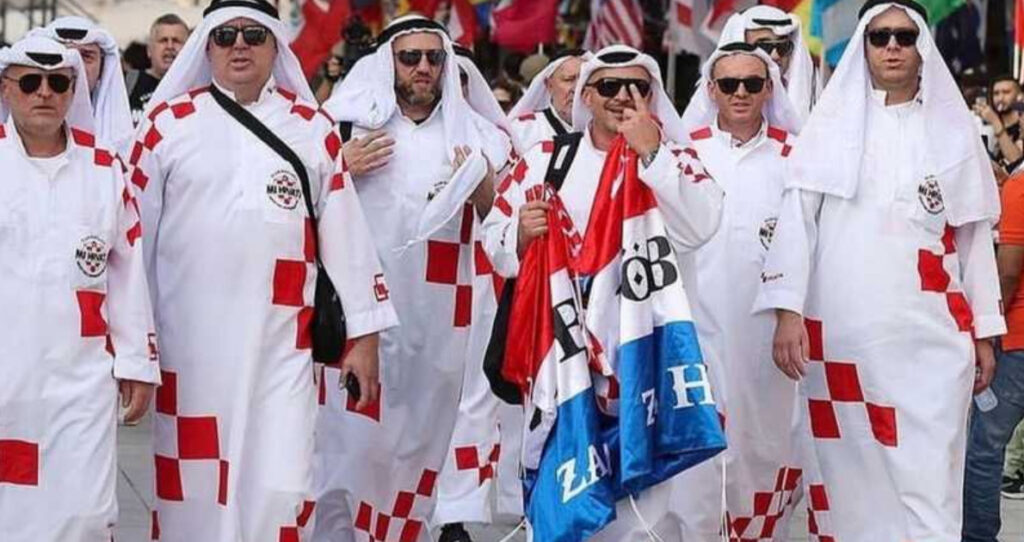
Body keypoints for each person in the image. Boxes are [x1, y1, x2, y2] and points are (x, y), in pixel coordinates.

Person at [126, 0, 397, 539]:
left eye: (254, 34)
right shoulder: (165, 126)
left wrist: (363, 338)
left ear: (276, 45)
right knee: (194, 492)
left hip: (284, 348)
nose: (240, 45)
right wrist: (136, 349)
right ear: (208, 47)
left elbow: (346, 238)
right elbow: (132, 247)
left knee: (284, 483)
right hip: (191, 348)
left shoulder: (310, 129)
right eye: (225, 36)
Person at [756, 1, 1004, 539]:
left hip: (931, 344)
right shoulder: (829, 129)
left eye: (905, 36)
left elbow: (973, 237)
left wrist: (985, 332)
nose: (892, 46)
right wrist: (786, 312)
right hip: (843, 342)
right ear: (864, 47)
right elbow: (797, 225)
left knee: (931, 477)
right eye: (880, 36)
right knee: (848, 482)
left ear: (922, 48)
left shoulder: (954, 131)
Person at [482, 44, 726, 541]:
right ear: (586, 96)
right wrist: (520, 235)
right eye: (610, 87)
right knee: (562, 493)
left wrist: (651, 153)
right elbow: (495, 238)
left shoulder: (675, 158)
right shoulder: (547, 159)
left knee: (641, 510)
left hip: (641, 358)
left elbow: (701, 224)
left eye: (637, 87)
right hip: (561, 358)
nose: (623, 97)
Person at [316, 15, 509, 542]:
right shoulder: (343, 128)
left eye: (434, 57)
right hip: (358, 318)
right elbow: (301, 207)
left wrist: (484, 190)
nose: (423, 68)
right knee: (347, 446)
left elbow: (506, 229)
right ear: (387, 64)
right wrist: (338, 167)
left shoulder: (481, 137)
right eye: (410, 57)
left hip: (441, 324)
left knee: (416, 450)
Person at [0, 36, 158, 540]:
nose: (43, 93)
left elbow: (128, 272)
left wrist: (137, 362)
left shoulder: (105, 169)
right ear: (6, 89)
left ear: (74, 91)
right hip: (7, 377)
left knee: (86, 514)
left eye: (58, 83)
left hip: (83, 378)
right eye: (29, 82)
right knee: (13, 510)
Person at [670, 40, 804, 541]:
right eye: (729, 84)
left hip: (768, 338)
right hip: (695, 332)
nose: (741, 93)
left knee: (765, 448)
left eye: (752, 83)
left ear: (770, 88)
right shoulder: (684, 151)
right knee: (701, 454)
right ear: (711, 90)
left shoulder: (797, 157)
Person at [962, 166, 1024, 540]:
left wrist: (989, 329)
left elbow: (1008, 273)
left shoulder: (1020, 188)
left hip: (1017, 344)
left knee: (985, 450)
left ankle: (978, 537)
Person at [683, 5, 819, 129]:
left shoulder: (810, 94)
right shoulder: (719, 92)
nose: (776, 55)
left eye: (783, 47)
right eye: (764, 46)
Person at [32, 16, 135, 155]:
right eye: (66, 54)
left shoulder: (118, 139)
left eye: (86, 56)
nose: (77, 65)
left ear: (102, 69)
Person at [507, 49, 591, 152]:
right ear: (549, 85)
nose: (577, 89)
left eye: (585, 80)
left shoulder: (605, 130)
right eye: (568, 79)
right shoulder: (524, 130)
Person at [127, 13, 189, 125]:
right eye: (163, 40)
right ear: (149, 50)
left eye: (176, 41)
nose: (170, 46)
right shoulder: (127, 83)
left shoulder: (197, 87)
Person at [973, 75, 1024, 170]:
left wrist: (995, 121)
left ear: (1019, 95)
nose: (1000, 98)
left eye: (1006, 92)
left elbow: (1017, 162)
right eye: (996, 93)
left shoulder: (1022, 125)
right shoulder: (985, 123)